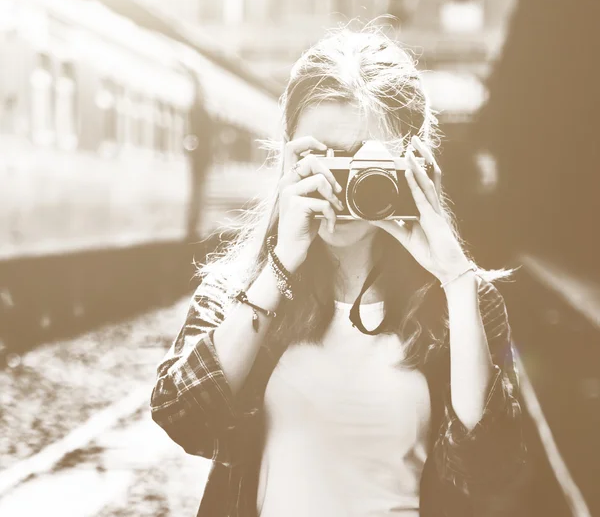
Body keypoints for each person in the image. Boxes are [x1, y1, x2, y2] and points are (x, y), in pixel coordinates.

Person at [150, 27, 527, 517]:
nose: (341, 185)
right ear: (288, 158)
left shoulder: (462, 305)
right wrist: (281, 265)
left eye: (367, 160)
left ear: (415, 164)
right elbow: (183, 418)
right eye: (321, 156)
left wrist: (456, 279)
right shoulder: (237, 291)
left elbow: (491, 469)